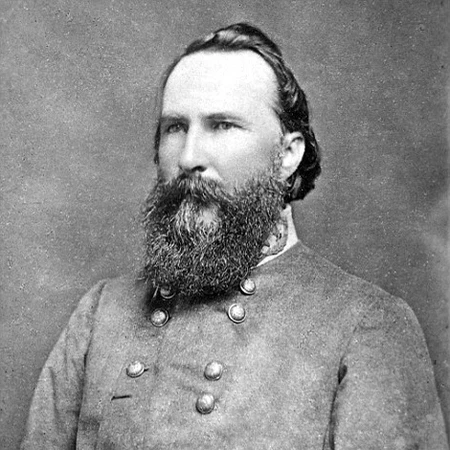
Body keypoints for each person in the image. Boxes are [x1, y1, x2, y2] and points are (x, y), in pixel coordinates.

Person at [21, 23, 448, 449]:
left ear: (287, 154)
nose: (189, 157)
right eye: (175, 127)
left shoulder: (367, 324)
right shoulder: (101, 314)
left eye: (222, 126)